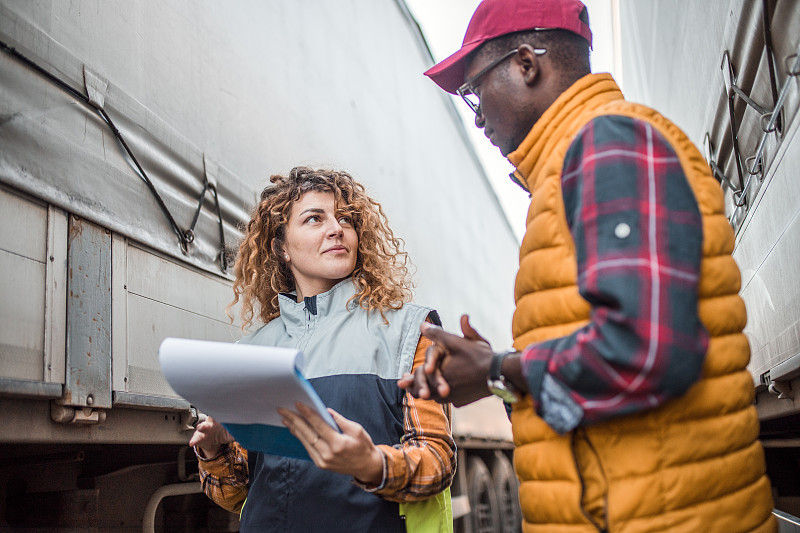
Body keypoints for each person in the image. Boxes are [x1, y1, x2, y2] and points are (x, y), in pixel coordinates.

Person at [399, 0, 777, 531]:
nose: (477, 112)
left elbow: (643, 349)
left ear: (527, 64)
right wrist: (501, 375)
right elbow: (601, 368)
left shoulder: (607, 144)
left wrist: (494, 369)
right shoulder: (577, 163)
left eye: (473, 88)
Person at [190, 166, 455, 532]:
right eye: (315, 218)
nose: (337, 228)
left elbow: (437, 462)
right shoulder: (252, 351)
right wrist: (214, 450)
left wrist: (371, 464)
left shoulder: (410, 330)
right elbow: (237, 495)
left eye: (346, 218)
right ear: (281, 247)